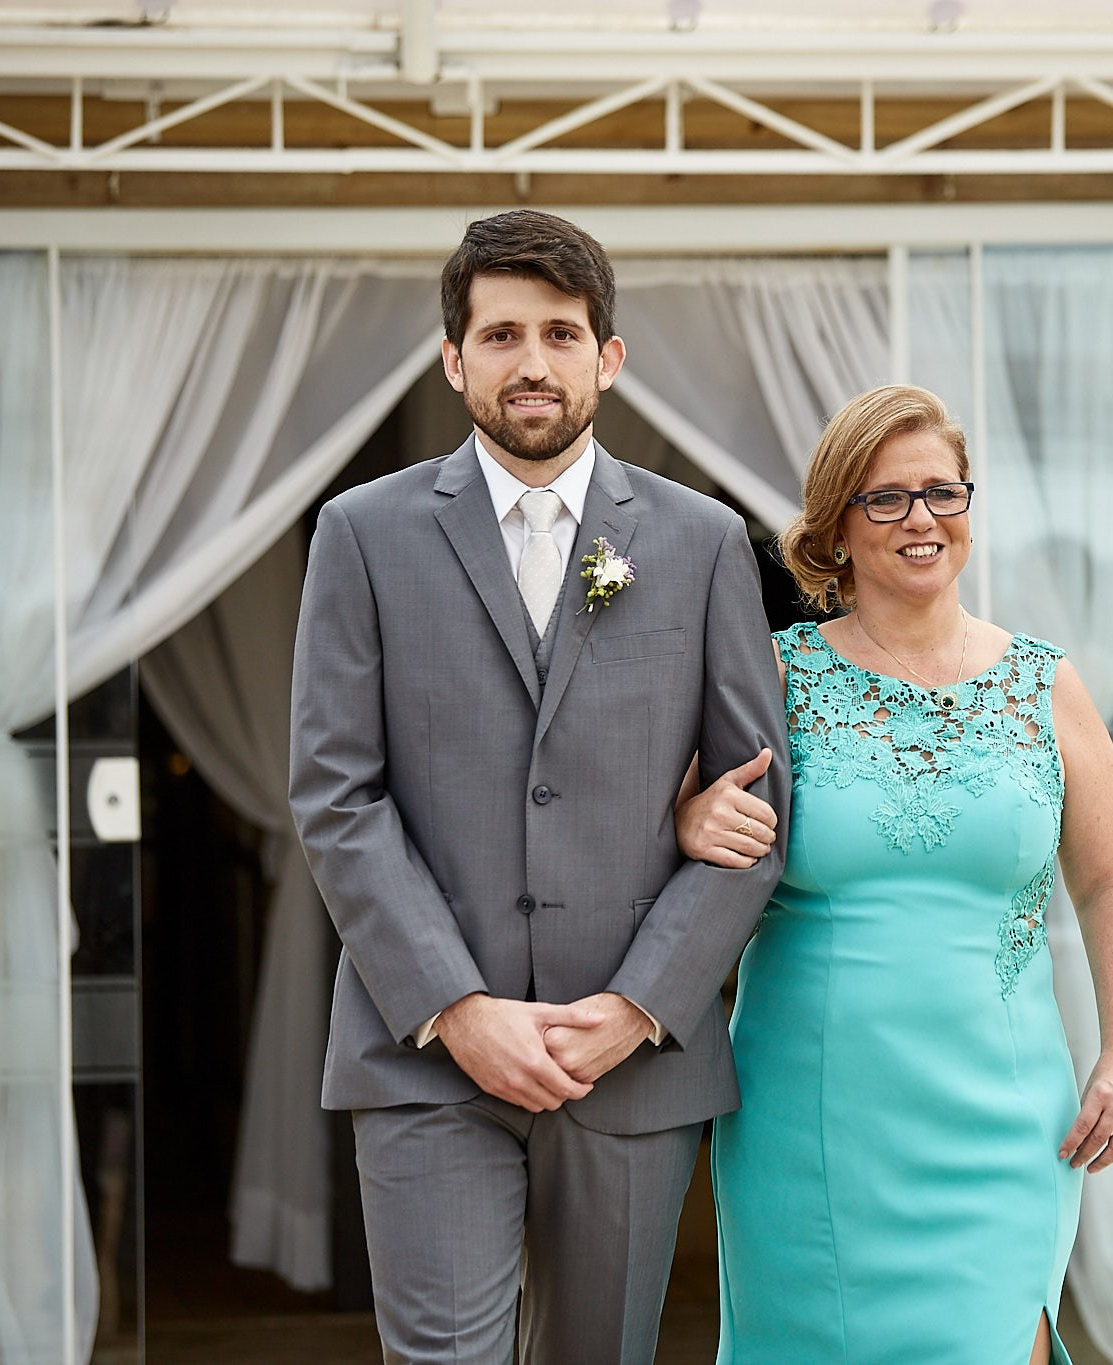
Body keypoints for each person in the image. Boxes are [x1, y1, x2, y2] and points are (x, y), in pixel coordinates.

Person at [288, 210, 788, 1363]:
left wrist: (634, 1008)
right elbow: (334, 794)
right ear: (454, 357)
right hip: (424, 1053)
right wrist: (456, 1009)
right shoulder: (359, 536)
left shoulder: (702, 539)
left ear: (606, 359)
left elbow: (756, 814)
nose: (532, 363)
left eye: (560, 334)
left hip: (627, 1056)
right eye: (501, 333)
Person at [674, 384, 1113, 1365]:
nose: (921, 518)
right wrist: (687, 817)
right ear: (837, 530)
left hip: (1002, 1114)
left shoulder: (1045, 683)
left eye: (942, 491)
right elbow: (665, 827)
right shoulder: (771, 675)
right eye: (884, 498)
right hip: (810, 1118)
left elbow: (1109, 881)